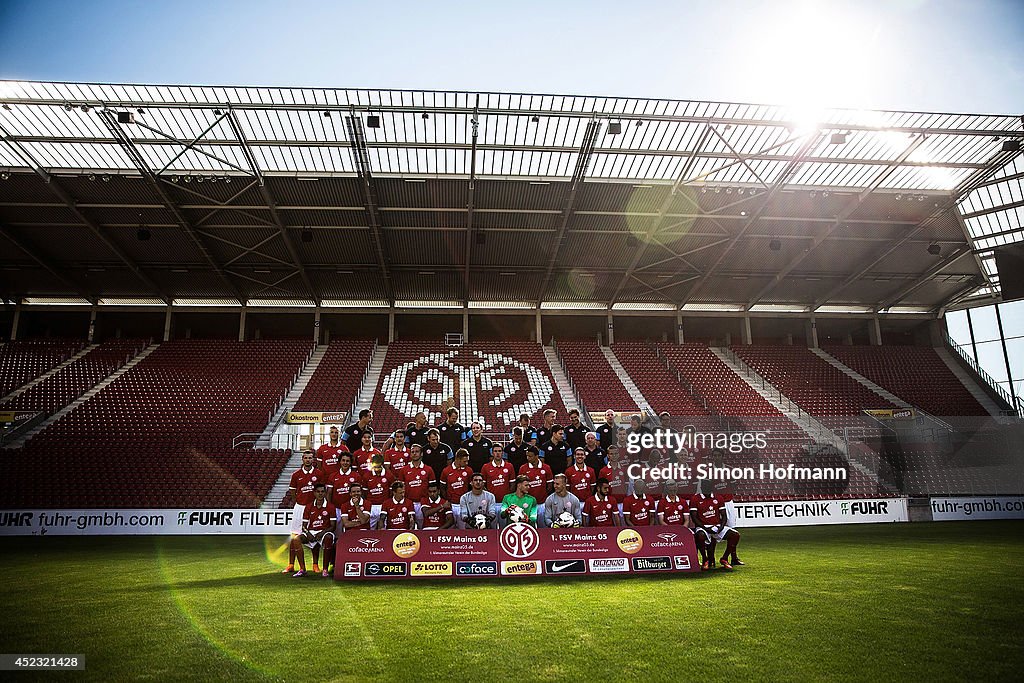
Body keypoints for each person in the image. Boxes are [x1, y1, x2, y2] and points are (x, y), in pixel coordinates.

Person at [281, 450, 324, 574]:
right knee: (294, 536)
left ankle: (315, 564)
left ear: (313, 460)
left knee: (314, 535)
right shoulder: (296, 474)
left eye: (310, 458)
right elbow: (293, 492)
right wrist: (299, 502)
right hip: (300, 508)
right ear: (302, 459)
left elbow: (321, 491)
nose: (308, 460)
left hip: (313, 508)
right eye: (306, 458)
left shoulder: (318, 474)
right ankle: (291, 564)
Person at [689, 479, 742, 570]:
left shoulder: (718, 497)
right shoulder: (695, 498)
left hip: (717, 526)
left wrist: (721, 527)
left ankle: (724, 558)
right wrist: (704, 528)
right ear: (701, 488)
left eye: (709, 487)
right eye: (705, 487)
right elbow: (694, 518)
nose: (707, 489)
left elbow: (724, 515)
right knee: (700, 536)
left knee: (735, 535)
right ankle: (705, 560)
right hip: (703, 527)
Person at [291, 481, 336, 578]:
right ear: (314, 493)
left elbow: (333, 526)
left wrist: (321, 533)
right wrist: (308, 533)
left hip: (325, 532)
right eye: (318, 491)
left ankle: (325, 569)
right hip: (311, 531)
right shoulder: (308, 506)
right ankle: (302, 569)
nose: (320, 494)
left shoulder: (330, 506)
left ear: (325, 493)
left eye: (322, 492)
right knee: (296, 539)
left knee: (328, 538)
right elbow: (303, 525)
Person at [399, 443, 435, 527]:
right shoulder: (404, 470)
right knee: (409, 527)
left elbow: (433, 488)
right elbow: (401, 488)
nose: (414, 453)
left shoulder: (428, 469)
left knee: (423, 528)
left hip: (423, 503)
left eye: (417, 451)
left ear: (421, 454)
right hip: (408, 503)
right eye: (412, 452)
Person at [518, 445, 553, 527]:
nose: (528, 458)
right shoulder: (523, 468)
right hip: (527, 504)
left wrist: (544, 495)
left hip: (542, 503)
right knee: (528, 526)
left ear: (537, 456)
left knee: (543, 526)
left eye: (530, 456)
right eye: (527, 456)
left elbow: (550, 485)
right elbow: (520, 487)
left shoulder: (546, 468)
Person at [481, 442, 515, 521]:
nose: (497, 453)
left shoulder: (509, 466)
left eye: (499, 451)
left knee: (504, 527)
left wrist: (508, 499)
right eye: (495, 451)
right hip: (491, 504)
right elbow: (483, 485)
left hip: (504, 504)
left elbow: (512, 484)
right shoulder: (486, 467)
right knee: (492, 528)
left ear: (502, 453)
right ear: (492, 453)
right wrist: (489, 498)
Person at [326, 452, 362, 525]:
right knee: (337, 533)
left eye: (347, 461)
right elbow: (329, 493)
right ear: (340, 461)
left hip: (352, 508)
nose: (345, 463)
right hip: (337, 509)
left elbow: (360, 494)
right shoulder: (333, 476)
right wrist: (329, 508)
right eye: (343, 460)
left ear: (351, 462)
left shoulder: (356, 476)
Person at [440, 448, 473, 528]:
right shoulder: (446, 471)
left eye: (467, 461)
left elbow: (471, 487)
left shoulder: (469, 470)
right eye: (464, 461)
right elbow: (442, 488)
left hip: (463, 505)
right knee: (451, 529)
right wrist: (447, 501)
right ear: (457, 459)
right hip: (451, 505)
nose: (466, 463)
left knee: (462, 529)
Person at [361, 455, 392, 530]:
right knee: (370, 529)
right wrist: (368, 505)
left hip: (384, 506)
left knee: (384, 529)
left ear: (382, 465)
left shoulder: (389, 475)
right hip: (371, 507)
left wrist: (387, 505)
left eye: (379, 467)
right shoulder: (366, 476)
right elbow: (364, 493)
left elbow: (391, 493)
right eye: (375, 467)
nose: (377, 469)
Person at [599, 445, 630, 514]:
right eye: (611, 454)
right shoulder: (603, 471)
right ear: (608, 455)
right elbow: (601, 489)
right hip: (609, 504)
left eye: (615, 454)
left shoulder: (624, 469)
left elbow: (627, 486)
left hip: (623, 503)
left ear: (618, 455)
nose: (614, 456)